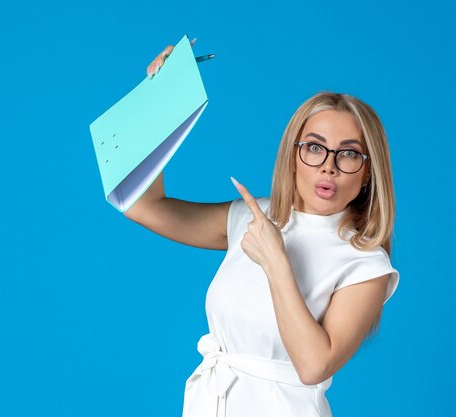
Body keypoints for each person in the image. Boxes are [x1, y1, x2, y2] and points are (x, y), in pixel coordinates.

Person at [123, 42, 399, 417]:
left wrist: (276, 261)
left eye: (349, 153)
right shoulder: (252, 217)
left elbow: (314, 365)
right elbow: (144, 205)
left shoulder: (366, 264)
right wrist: (157, 107)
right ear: (293, 155)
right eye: (315, 148)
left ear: (368, 172)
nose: (329, 167)